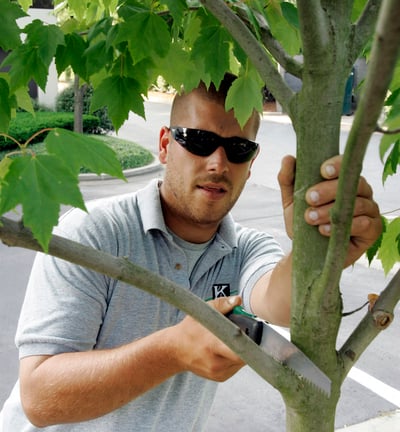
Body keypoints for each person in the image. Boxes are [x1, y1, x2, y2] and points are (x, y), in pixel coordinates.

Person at [0, 73, 381, 431]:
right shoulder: (94, 232)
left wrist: (317, 247)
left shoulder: (247, 248)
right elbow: (40, 396)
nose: (218, 163)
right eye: (198, 140)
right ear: (166, 145)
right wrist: (172, 350)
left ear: (250, 165)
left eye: (237, 149)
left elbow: (277, 300)